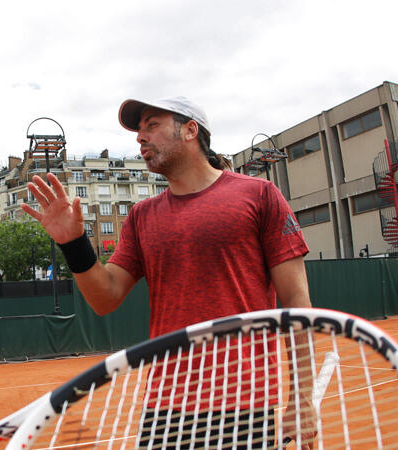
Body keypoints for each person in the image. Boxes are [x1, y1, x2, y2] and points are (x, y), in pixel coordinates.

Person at [21, 96, 315, 447]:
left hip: (244, 405)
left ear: (191, 130)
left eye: (152, 125)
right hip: (165, 409)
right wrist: (73, 243)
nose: (140, 138)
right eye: (139, 130)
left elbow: (296, 302)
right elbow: (105, 297)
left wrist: (302, 398)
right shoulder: (142, 216)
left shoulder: (260, 195)